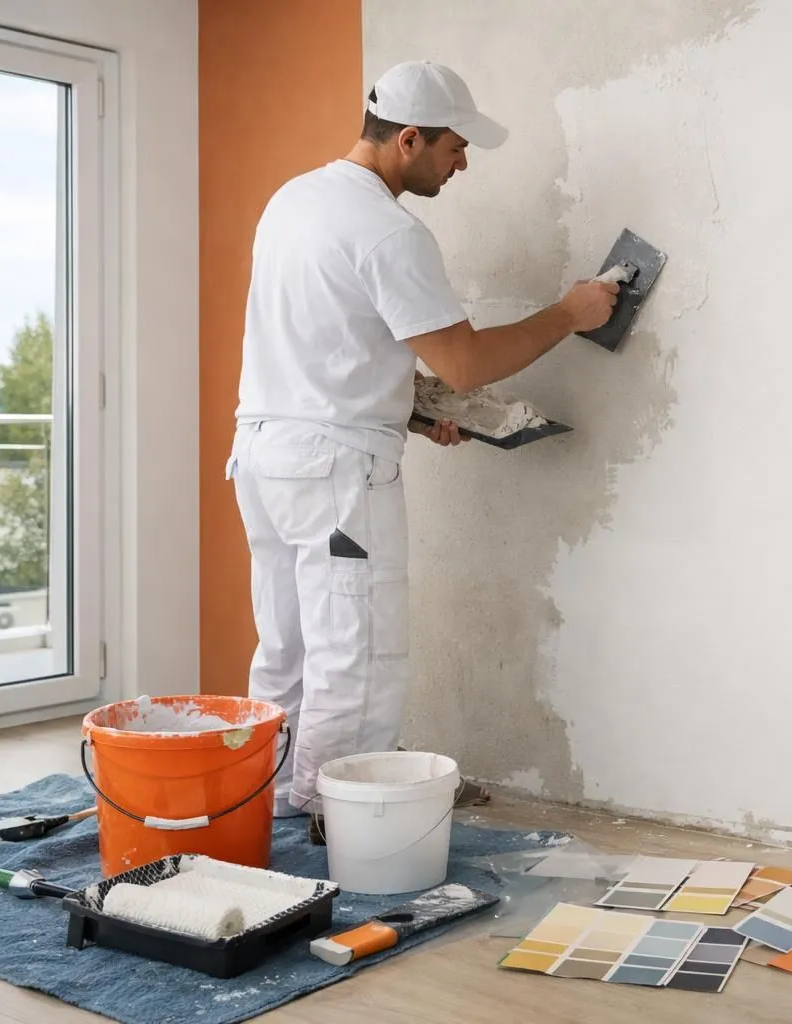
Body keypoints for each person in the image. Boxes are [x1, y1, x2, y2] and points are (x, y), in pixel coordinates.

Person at [227, 60, 617, 833]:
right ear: (409, 139)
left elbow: (326, 342)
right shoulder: (389, 231)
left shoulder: (294, 199)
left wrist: (401, 406)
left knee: (289, 648)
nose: (462, 162)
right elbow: (465, 361)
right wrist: (569, 313)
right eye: (453, 147)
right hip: (335, 472)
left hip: (265, 457)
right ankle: (336, 827)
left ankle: (267, 803)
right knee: (357, 658)